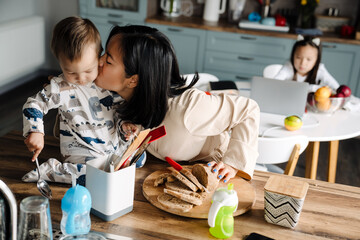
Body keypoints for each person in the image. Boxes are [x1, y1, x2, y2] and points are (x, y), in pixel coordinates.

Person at [94, 25, 260, 182]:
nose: (98, 61)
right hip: (166, 174)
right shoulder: (120, 96)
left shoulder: (189, 107)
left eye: (108, 61)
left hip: (213, 177)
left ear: (133, 80)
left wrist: (232, 164)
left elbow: (248, 110)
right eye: (103, 54)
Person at [22, 16, 136, 165]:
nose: (81, 79)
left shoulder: (106, 82)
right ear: (60, 64)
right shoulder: (60, 87)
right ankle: (51, 171)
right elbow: (34, 104)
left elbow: (116, 110)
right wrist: (35, 131)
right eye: (71, 73)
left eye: (88, 70)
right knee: (92, 172)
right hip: (81, 150)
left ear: (99, 56)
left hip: (110, 146)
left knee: (137, 158)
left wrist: (124, 125)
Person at [274, 35, 340, 92]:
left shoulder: (319, 69)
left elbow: (336, 87)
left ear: (316, 60)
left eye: (308, 59)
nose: (303, 63)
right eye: (298, 57)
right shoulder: (289, 66)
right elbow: (274, 82)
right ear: (293, 55)